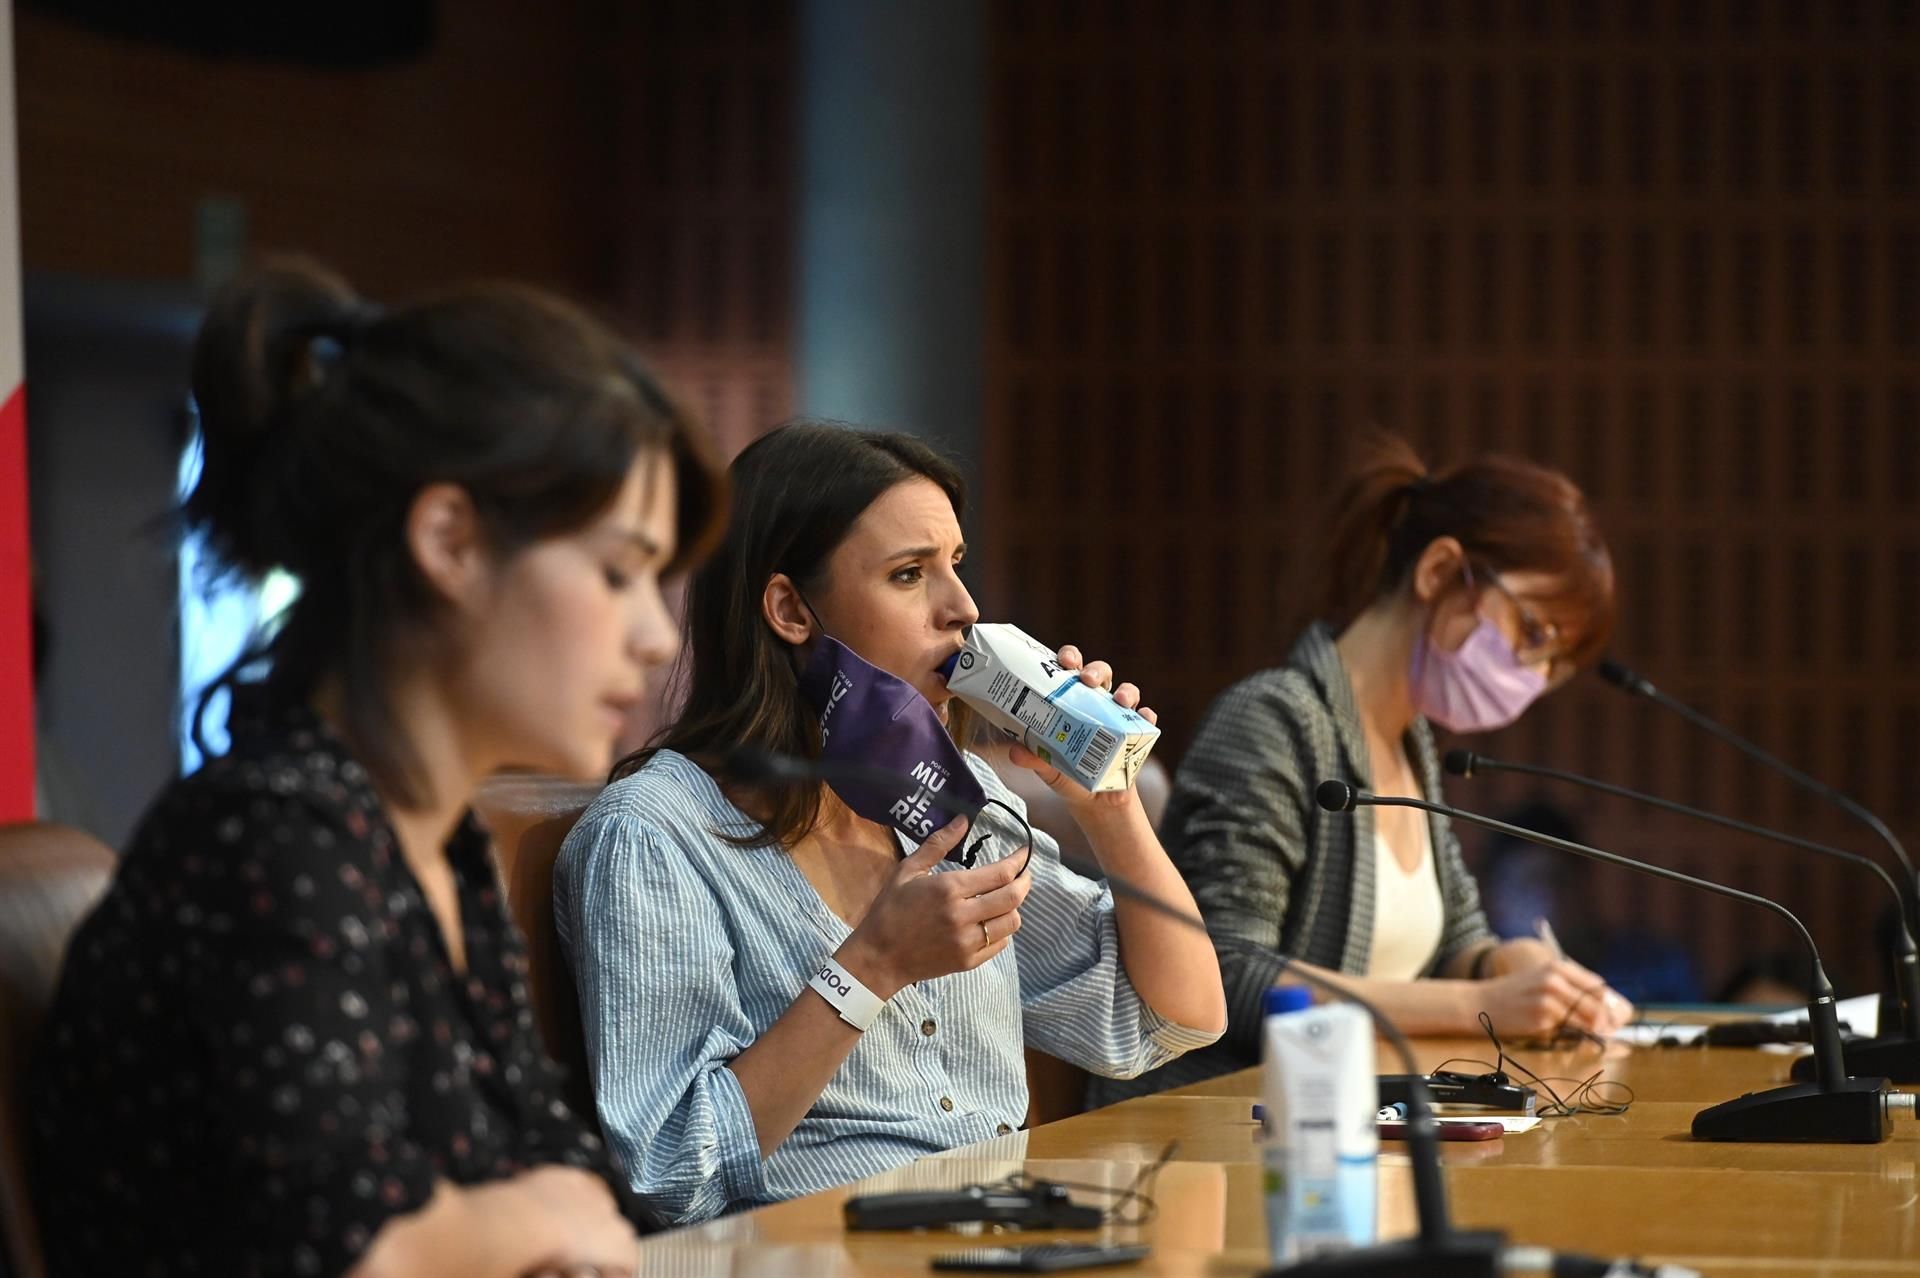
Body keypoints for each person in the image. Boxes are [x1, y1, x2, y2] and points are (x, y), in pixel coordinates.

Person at [28, 257, 724, 1278]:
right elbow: (360, 1250)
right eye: (618, 573)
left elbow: (573, 1183)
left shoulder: (434, 844)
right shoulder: (270, 836)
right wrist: (521, 1222)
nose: (656, 638)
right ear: (449, 540)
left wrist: (519, 1219)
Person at [555, 421, 1226, 1225]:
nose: (964, 610)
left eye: (957, 567)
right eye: (910, 574)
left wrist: (1109, 805)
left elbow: (1172, 1019)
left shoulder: (955, 800)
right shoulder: (654, 837)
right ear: (789, 610)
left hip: (993, 1236)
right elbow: (668, 1171)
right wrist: (868, 968)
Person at [1088, 432, 1632, 1107]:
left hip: (1350, 1126)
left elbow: (1450, 938)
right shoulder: (1273, 721)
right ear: (1438, 572)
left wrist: (1504, 963)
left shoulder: (1413, 746)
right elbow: (1226, 972)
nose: (1533, 678)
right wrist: (1482, 1002)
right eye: (1534, 637)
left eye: (1553, 667)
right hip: (1215, 1132)